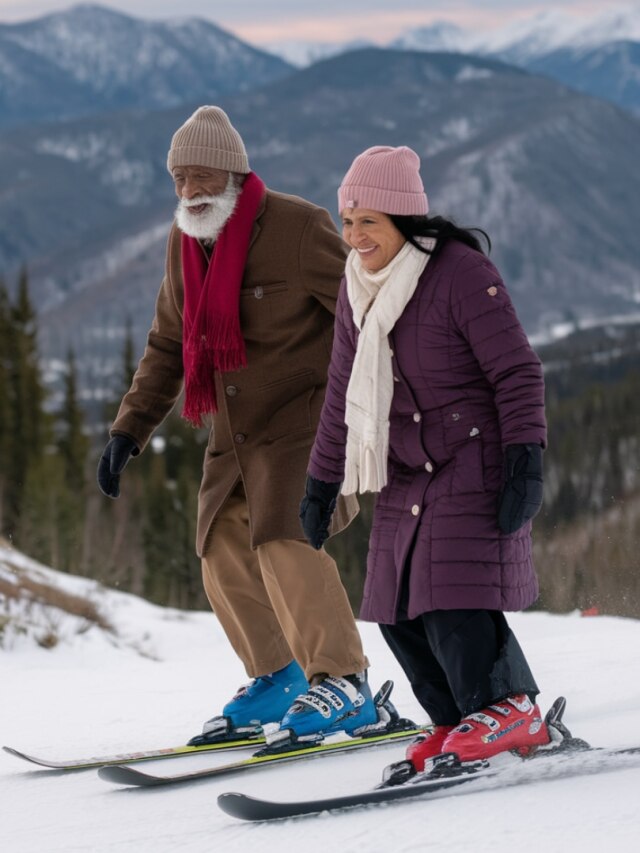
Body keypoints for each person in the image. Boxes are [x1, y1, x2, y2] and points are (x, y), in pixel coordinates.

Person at [97, 106, 382, 749]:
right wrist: (129, 430)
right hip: (237, 435)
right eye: (178, 180)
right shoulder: (186, 244)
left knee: (285, 535)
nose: (189, 193)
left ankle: (345, 682)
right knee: (220, 548)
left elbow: (367, 313)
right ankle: (278, 675)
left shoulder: (297, 227)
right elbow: (170, 343)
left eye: (201, 178)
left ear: (232, 175)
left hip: (308, 418)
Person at [299, 144, 549, 772]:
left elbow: (517, 370)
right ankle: (456, 718)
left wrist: (526, 457)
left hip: (474, 459)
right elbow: (341, 393)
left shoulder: (458, 273)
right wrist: (321, 482)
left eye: (369, 223)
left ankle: (511, 707)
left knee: (450, 593)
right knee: (393, 605)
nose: (355, 237)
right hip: (405, 467)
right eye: (347, 222)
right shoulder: (356, 287)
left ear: (404, 221)